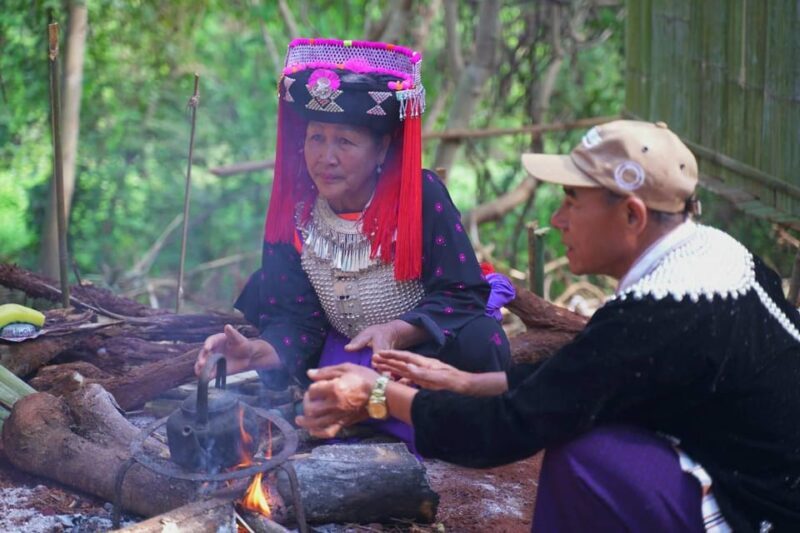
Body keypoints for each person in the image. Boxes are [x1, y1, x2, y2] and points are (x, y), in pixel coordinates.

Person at [296, 120, 800, 532]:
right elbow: (589, 374)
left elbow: (507, 430)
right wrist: (473, 381)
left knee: (585, 456)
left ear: (631, 215)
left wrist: (377, 394)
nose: (558, 220)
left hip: (766, 510)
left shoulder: (656, 316)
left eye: (572, 202)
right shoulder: (718, 254)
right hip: (773, 472)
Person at [195, 38, 511, 450]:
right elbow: (297, 321)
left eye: (344, 142)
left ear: (382, 148)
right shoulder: (296, 206)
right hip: (344, 354)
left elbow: (461, 294)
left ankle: (429, 424)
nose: (326, 156)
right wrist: (254, 353)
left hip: (416, 355)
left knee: (480, 339)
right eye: (316, 138)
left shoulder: (420, 195)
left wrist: (397, 331)